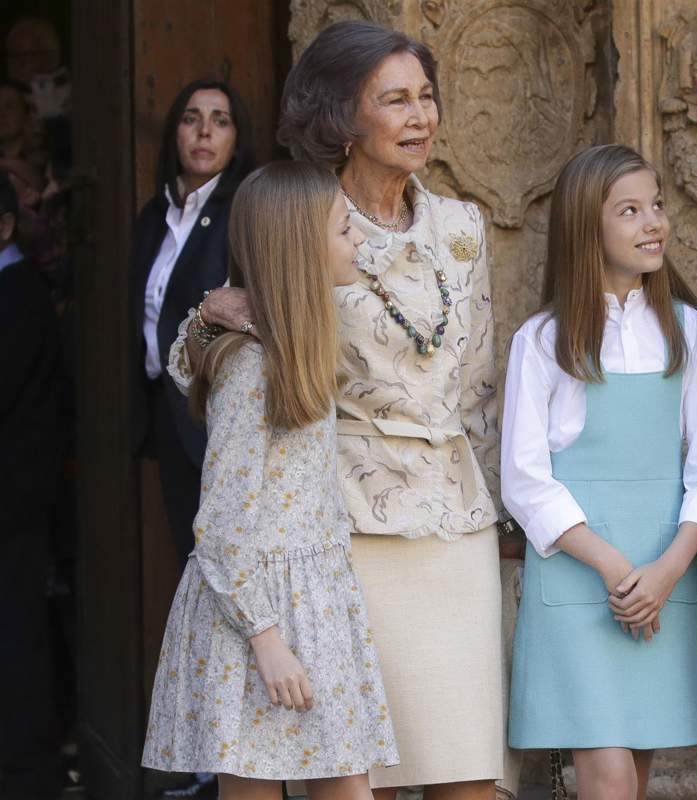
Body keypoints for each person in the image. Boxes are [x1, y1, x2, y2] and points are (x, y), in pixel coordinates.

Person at [169, 21, 522, 800]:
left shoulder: (461, 227)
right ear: (342, 116)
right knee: (366, 778)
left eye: (426, 96)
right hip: (346, 530)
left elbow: (480, 385)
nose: (420, 115)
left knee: (471, 774)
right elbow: (221, 367)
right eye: (394, 99)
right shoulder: (302, 219)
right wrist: (206, 319)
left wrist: (499, 516)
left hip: (453, 523)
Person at [141, 160, 398, 798]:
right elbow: (222, 522)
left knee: (346, 783)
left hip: (314, 598)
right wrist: (265, 637)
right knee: (255, 786)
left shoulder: (292, 346)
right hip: (255, 611)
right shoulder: (251, 369)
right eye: (345, 230)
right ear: (299, 247)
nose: (359, 240)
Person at [503, 144, 697, 799]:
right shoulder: (544, 340)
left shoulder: (689, 333)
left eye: (655, 206)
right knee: (605, 775)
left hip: (664, 574)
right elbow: (524, 478)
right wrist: (613, 568)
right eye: (629, 211)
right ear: (586, 227)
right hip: (581, 582)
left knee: (634, 772)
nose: (653, 222)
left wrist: (666, 570)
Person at [131, 79, 254, 567]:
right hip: (166, 410)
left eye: (220, 120)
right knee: (190, 557)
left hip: (217, 409)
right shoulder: (154, 217)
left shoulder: (243, 212)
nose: (204, 131)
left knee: (225, 559)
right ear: (174, 134)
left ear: (236, 139)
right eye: (191, 118)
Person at [0, 172, 62, 799]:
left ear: (6, 225)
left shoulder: (17, 293)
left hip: (13, 497)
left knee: (15, 627)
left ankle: (26, 771)